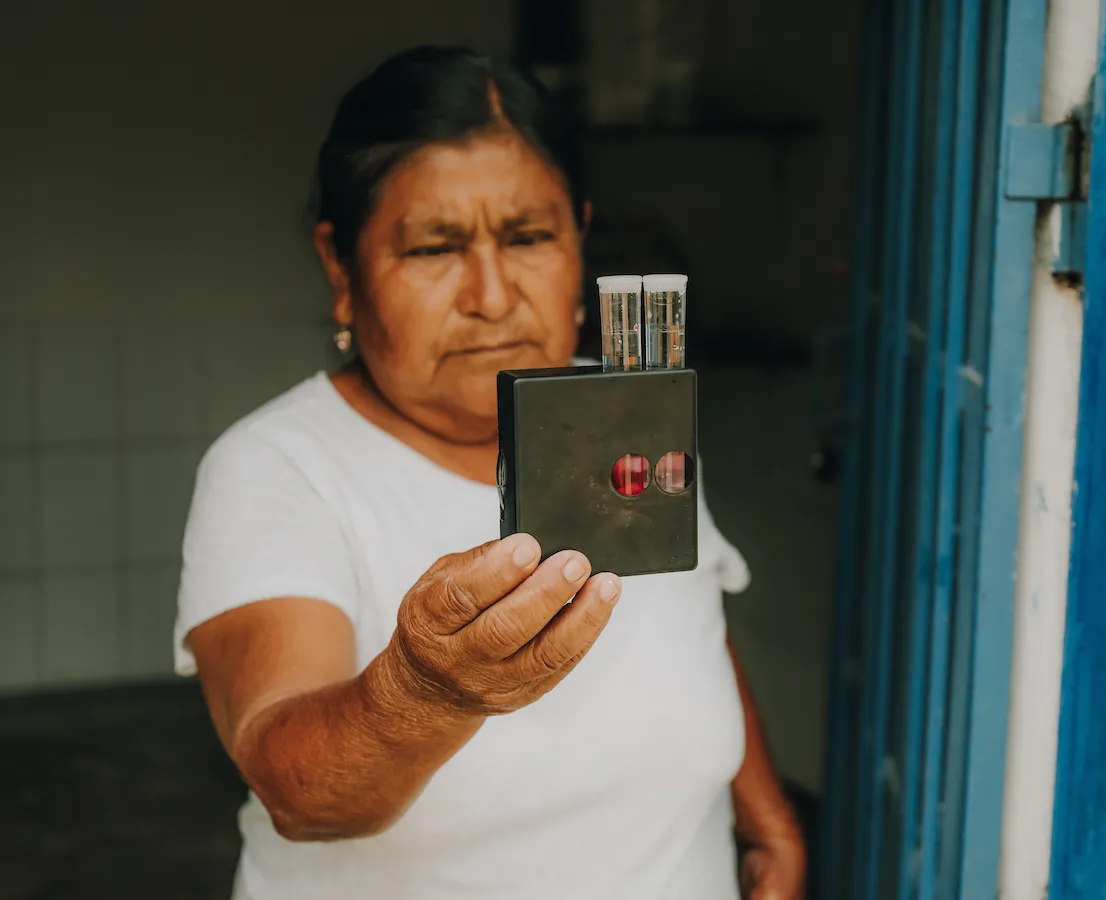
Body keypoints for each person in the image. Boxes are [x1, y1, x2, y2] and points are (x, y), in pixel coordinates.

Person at [175, 45, 807, 900]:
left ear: (579, 238)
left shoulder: (625, 406)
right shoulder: (279, 468)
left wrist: (762, 813)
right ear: (341, 267)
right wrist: (422, 690)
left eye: (530, 237)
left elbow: (692, 623)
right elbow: (301, 793)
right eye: (434, 248)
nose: (492, 294)